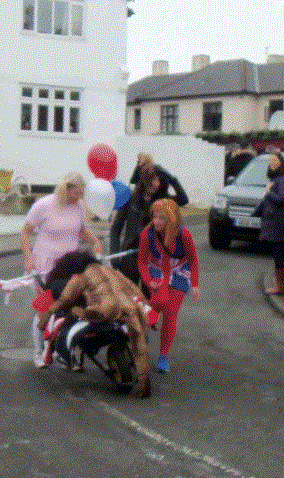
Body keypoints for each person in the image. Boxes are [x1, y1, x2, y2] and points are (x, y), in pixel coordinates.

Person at [20, 172, 104, 367]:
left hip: (70, 264)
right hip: (46, 263)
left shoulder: (79, 206)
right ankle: (39, 351)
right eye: (76, 193)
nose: (79, 198)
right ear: (66, 189)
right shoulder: (44, 205)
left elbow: (81, 231)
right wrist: (28, 258)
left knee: (71, 307)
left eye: (81, 194)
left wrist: (95, 241)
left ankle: (64, 351)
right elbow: (25, 231)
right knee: (46, 307)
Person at [41, 256, 154, 397]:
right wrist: (147, 306)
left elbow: (63, 301)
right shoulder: (114, 272)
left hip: (104, 311)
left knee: (74, 311)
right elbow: (134, 289)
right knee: (139, 346)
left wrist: (44, 321)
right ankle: (145, 386)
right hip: (128, 308)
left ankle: (64, 344)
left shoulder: (81, 277)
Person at [138, 198, 200, 373]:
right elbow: (142, 262)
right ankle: (144, 319)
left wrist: (195, 283)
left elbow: (193, 260)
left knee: (171, 314)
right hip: (156, 270)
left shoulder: (183, 234)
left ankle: (163, 356)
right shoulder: (147, 234)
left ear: (171, 219)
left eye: (161, 218)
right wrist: (148, 280)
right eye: (154, 217)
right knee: (159, 301)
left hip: (179, 271)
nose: (156, 221)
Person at [110, 162, 188, 286]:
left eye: (159, 180)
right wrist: (114, 256)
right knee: (132, 300)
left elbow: (184, 200)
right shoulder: (130, 198)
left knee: (150, 301)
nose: (156, 184)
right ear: (144, 180)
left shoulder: (162, 200)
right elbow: (115, 230)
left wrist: (171, 178)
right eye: (153, 179)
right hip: (130, 258)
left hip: (154, 259)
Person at [254, 150, 284, 296]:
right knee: (276, 252)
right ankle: (280, 286)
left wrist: (269, 191)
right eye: (270, 160)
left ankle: (282, 287)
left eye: (274, 160)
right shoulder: (279, 178)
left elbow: (282, 198)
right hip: (273, 219)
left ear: (281, 162)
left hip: (277, 221)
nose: (271, 163)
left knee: (279, 252)